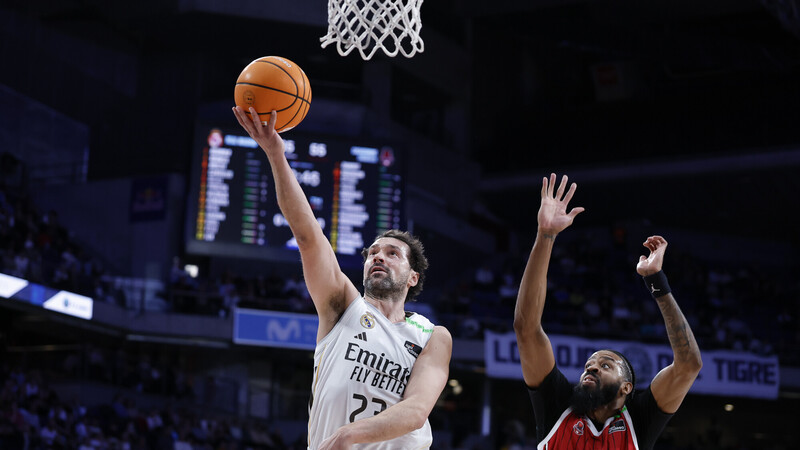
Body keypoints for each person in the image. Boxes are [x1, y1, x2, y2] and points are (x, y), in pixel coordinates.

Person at [232, 106, 452, 450]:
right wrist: (275, 152)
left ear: (412, 277)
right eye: (373, 252)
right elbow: (307, 235)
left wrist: (349, 434)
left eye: (392, 253)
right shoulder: (343, 307)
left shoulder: (432, 336)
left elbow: (416, 410)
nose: (378, 256)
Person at [514, 173, 702, 449]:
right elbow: (526, 329)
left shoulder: (638, 420)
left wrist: (657, 283)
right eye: (590, 364)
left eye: (605, 365)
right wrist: (546, 235)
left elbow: (689, 366)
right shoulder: (558, 404)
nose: (591, 367)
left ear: (626, 388)